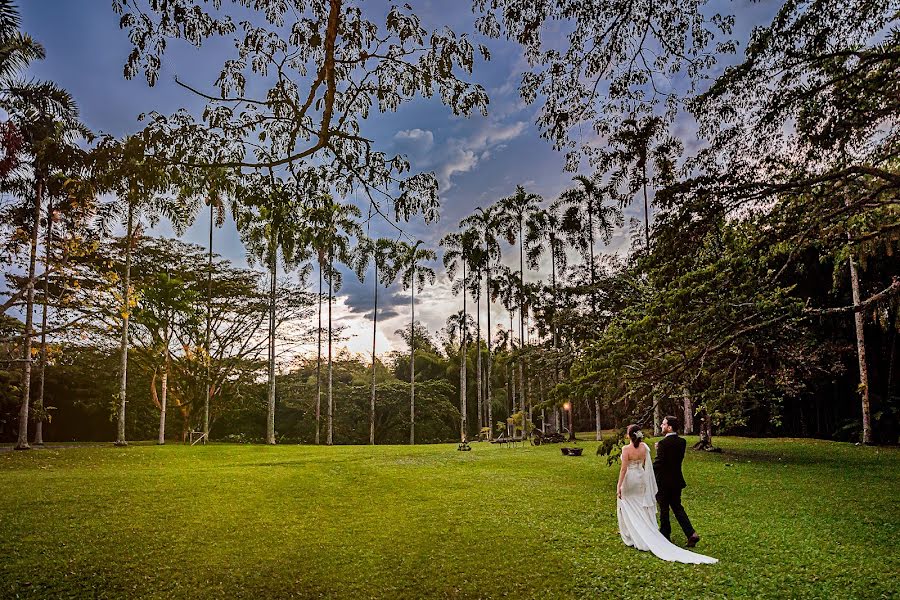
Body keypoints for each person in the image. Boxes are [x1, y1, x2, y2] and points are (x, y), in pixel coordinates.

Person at [616, 424, 717, 564]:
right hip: (646, 478)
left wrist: (619, 485)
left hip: (634, 479)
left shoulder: (627, 449)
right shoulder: (647, 447)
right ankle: (679, 532)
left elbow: (624, 469)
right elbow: (647, 465)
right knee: (646, 506)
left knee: (633, 506)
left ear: (629, 435)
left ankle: (639, 535)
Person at [653, 415, 700, 546]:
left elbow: (660, 463)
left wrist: (648, 470)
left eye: (663, 424)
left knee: (664, 509)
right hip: (676, 480)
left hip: (663, 481)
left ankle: (665, 535)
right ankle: (691, 533)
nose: (661, 426)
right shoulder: (682, 442)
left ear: (669, 427)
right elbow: (673, 458)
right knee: (677, 507)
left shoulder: (663, 444)